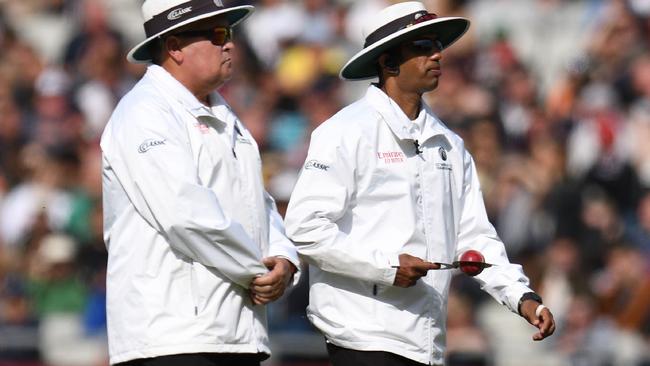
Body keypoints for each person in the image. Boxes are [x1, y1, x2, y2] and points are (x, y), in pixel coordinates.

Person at [284, 2, 556, 366]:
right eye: (422, 46)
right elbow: (305, 229)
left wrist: (522, 297)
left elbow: (475, 239)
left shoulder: (449, 144)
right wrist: (387, 267)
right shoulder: (344, 131)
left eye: (437, 45)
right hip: (362, 340)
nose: (437, 55)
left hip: (427, 344)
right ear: (388, 61)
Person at [100, 1, 299, 365]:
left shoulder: (225, 116)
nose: (230, 45)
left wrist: (284, 259)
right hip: (172, 337)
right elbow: (185, 214)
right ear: (174, 47)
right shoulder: (144, 112)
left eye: (229, 33)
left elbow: (258, 201)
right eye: (216, 35)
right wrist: (260, 271)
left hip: (234, 332)